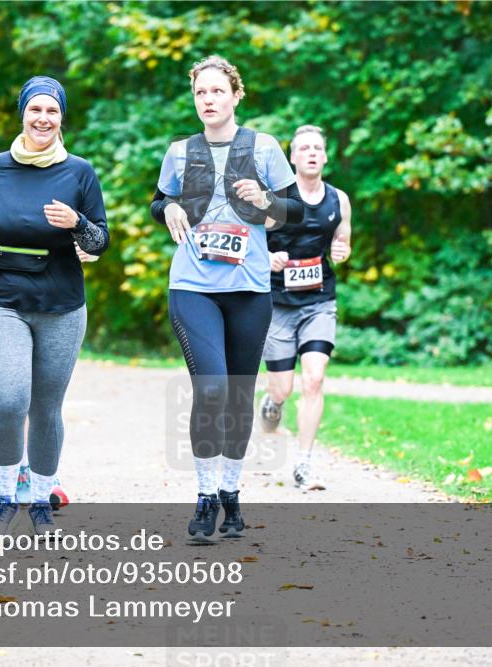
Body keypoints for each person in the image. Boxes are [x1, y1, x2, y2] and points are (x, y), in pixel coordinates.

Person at [150, 55, 304, 541]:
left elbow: (294, 212)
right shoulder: (180, 151)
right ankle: (203, 497)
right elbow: (157, 202)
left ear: (236, 96)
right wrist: (170, 207)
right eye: (200, 93)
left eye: (217, 91)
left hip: (251, 288)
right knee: (211, 388)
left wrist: (265, 202)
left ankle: (231, 492)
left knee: (238, 394)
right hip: (192, 286)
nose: (208, 100)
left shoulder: (263, 148)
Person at [0, 76, 108, 536]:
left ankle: (41, 500)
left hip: (62, 305)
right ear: (22, 113)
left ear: (61, 117)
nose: (43, 119)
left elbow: (100, 240)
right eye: (35, 110)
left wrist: (77, 221)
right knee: (9, 399)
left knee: (46, 407)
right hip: (2, 299)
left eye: (52, 111)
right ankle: (5, 495)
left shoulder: (79, 172)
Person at [258, 125, 352, 491]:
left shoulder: (339, 200)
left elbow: (342, 244)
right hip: (277, 303)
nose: (312, 153)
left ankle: (304, 464)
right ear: (293, 157)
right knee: (283, 388)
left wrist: (342, 252)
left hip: (319, 301)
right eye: (304, 148)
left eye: (318, 148)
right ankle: (272, 403)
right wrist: (268, 258)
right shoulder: (275, 200)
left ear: (325, 156)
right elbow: (249, 247)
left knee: (314, 379)